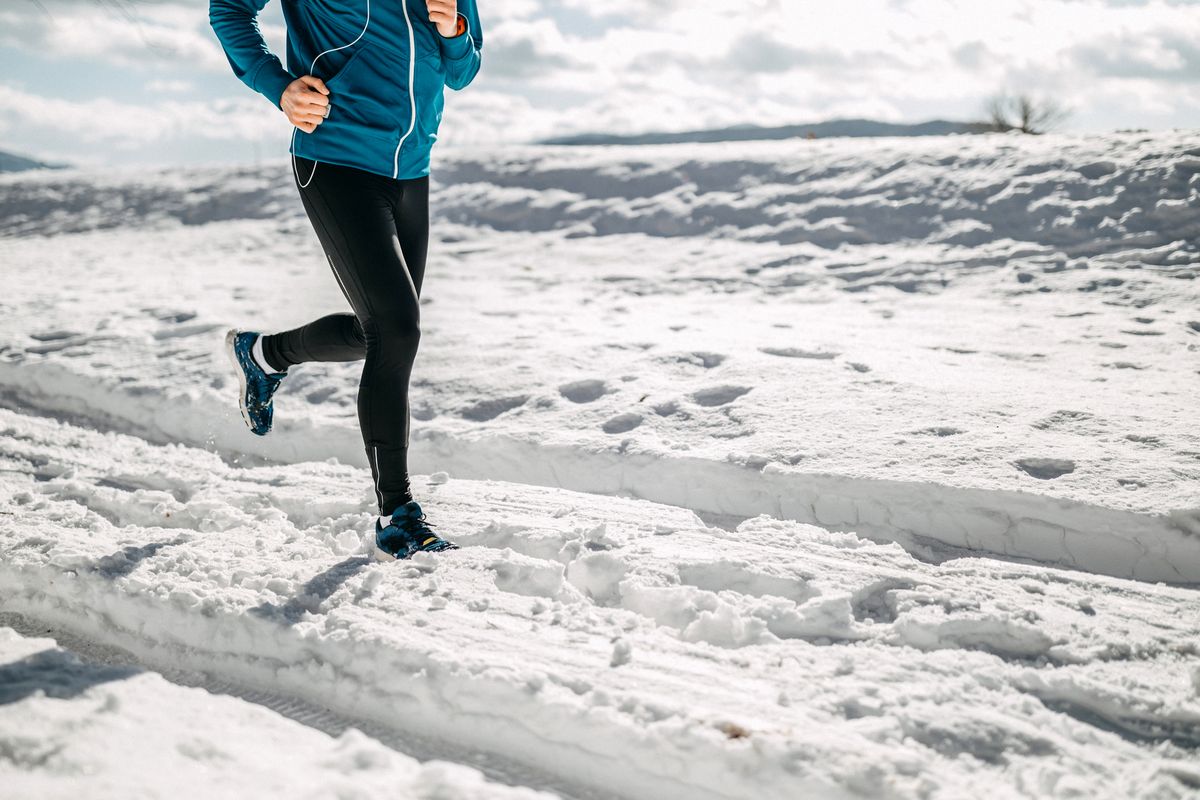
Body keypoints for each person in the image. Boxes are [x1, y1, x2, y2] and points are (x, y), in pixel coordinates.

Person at [209, 0, 482, 560]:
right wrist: (278, 86)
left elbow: (463, 69)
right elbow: (229, 8)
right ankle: (396, 515)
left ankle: (264, 355)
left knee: (380, 331)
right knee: (396, 330)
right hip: (337, 157)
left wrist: (454, 29)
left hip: (411, 170)